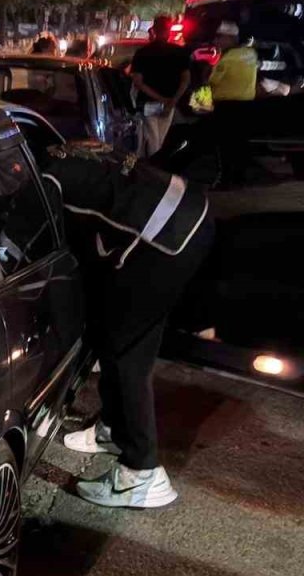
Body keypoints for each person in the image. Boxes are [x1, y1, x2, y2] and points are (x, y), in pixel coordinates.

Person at [37, 140, 213, 509]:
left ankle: (140, 474)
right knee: (118, 334)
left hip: (167, 240)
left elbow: (16, 245)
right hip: (189, 212)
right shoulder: (60, 150)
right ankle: (115, 431)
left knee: (126, 355)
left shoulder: (44, 180)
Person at [129, 15, 191, 156]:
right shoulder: (179, 53)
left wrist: (160, 99)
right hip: (170, 102)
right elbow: (185, 80)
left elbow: (138, 82)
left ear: (153, 30)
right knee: (160, 139)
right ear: (169, 31)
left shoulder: (142, 53)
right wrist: (172, 100)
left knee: (152, 139)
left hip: (148, 103)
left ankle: (153, 171)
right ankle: (157, 169)